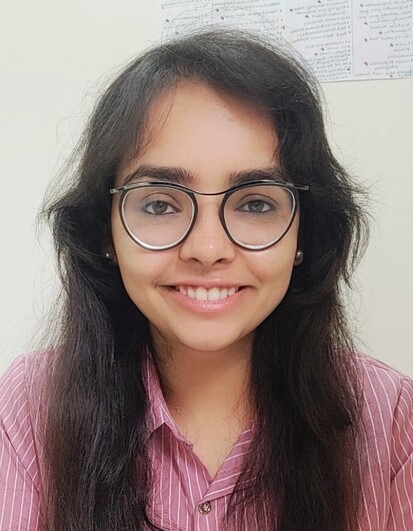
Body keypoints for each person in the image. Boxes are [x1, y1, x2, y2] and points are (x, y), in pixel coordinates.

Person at [0, 30, 412, 531]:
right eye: (160, 205)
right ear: (105, 231)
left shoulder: (388, 414)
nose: (208, 249)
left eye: (255, 203)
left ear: (304, 233)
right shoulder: (29, 405)